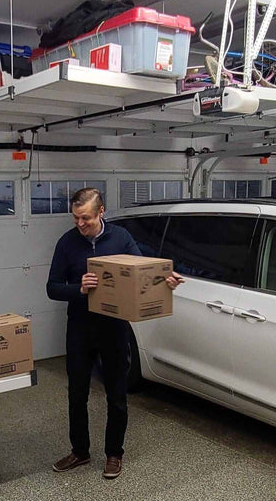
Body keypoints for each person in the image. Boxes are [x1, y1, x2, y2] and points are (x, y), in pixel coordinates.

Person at [45, 187, 182, 479]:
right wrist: (78, 289)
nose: (80, 224)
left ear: (101, 212)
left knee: (117, 394)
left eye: (86, 219)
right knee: (77, 394)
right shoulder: (67, 243)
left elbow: (142, 271)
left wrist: (165, 280)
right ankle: (80, 451)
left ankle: (114, 454)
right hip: (81, 329)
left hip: (114, 328)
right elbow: (52, 288)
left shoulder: (120, 238)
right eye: (75, 218)